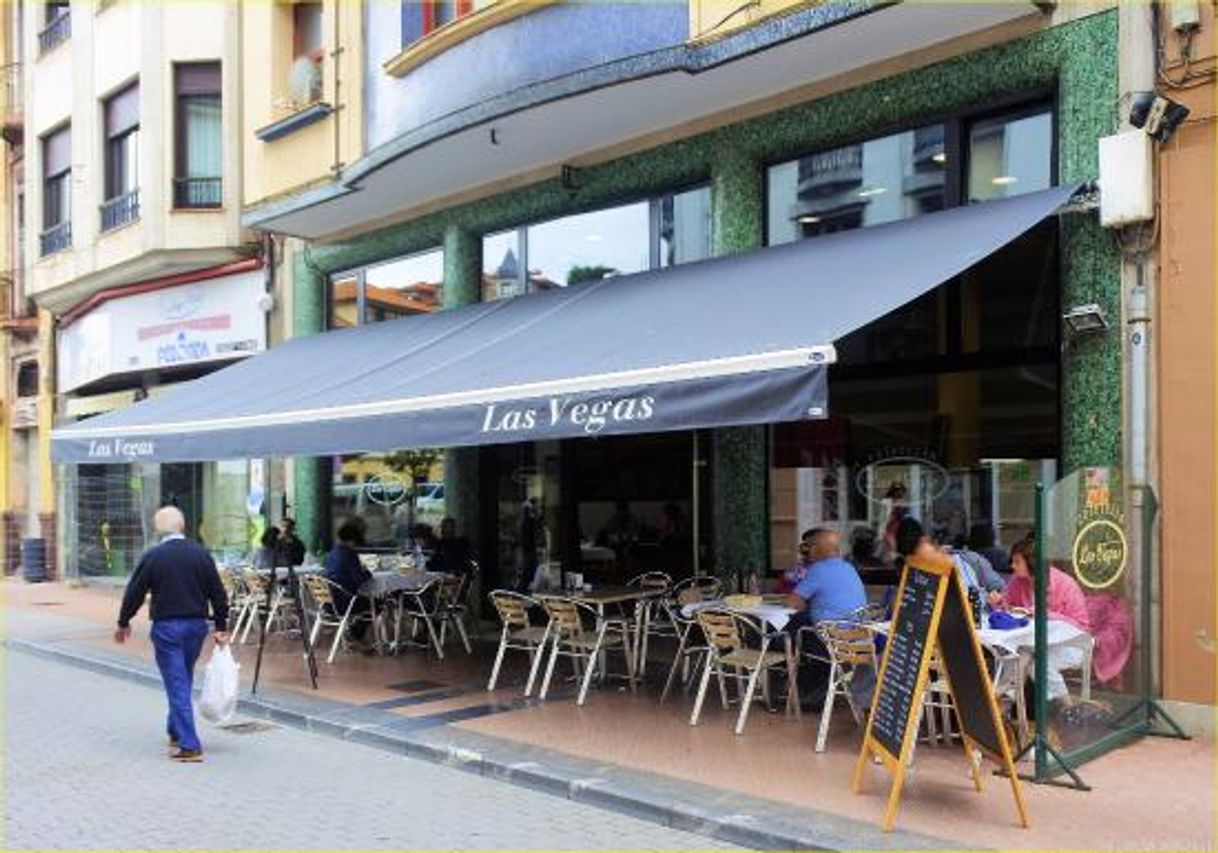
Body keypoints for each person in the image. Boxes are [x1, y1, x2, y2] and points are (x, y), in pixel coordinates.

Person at [114, 506, 229, 763]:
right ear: (183, 526)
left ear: (158, 530)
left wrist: (124, 622)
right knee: (182, 677)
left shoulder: (154, 556)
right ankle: (175, 730)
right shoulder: (201, 554)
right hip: (196, 627)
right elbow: (218, 593)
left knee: (177, 682)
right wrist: (221, 627)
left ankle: (189, 745)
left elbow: (134, 592)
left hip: (167, 629)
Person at [988, 536, 1092, 703]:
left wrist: (1046, 614)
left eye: (1017, 562)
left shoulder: (1065, 584)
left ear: (1032, 563)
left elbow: (1081, 626)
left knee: (1037, 662)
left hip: (1071, 644)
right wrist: (998, 603)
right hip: (1036, 643)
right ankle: (1005, 700)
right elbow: (1010, 612)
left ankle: (1064, 704)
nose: (1012, 566)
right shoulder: (1017, 582)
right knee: (1021, 654)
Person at [783, 529, 870, 708]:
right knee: (801, 627)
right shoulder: (848, 567)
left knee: (782, 634)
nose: (805, 551)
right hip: (858, 640)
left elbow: (793, 602)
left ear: (816, 549)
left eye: (807, 547)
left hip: (834, 642)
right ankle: (812, 690)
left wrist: (808, 604)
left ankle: (799, 693)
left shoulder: (819, 569)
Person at [323, 520, 374, 645]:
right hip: (344, 603)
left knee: (366, 601)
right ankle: (355, 632)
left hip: (328, 603)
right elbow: (359, 579)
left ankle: (353, 631)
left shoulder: (330, 554)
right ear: (351, 541)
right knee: (377, 604)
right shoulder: (349, 554)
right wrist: (367, 572)